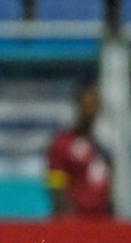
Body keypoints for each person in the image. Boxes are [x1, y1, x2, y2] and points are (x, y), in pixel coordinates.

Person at [46, 79, 113, 217]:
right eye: (86, 105)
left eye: (93, 105)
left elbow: (107, 192)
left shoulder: (102, 150)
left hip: (101, 223)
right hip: (75, 224)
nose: (90, 110)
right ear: (78, 105)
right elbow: (54, 184)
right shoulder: (62, 143)